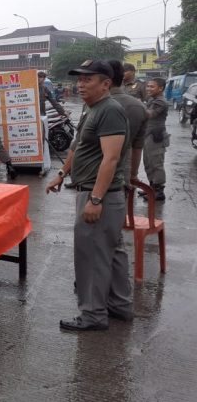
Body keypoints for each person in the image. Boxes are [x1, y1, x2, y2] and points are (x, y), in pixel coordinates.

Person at [46, 60, 132, 331]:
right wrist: (62, 173)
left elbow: (111, 158)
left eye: (88, 79)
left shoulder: (110, 111)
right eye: (79, 79)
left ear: (106, 83)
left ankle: (93, 315)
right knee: (112, 252)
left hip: (100, 195)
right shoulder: (91, 108)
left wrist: (95, 199)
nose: (80, 84)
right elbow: (77, 145)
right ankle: (119, 305)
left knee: (92, 256)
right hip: (95, 192)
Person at [108, 60, 147, 185]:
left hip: (133, 115)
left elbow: (147, 101)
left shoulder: (140, 86)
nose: (124, 74)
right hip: (116, 115)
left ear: (133, 72)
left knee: (128, 146)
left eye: (127, 71)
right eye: (123, 71)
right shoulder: (120, 85)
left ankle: (129, 177)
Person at [141, 77, 169, 201]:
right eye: (148, 86)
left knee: (156, 163)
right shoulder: (152, 99)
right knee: (148, 163)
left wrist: (137, 105)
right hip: (148, 135)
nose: (148, 88)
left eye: (152, 86)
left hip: (156, 136)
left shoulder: (161, 102)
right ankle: (151, 188)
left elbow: (150, 114)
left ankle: (159, 191)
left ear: (161, 88)